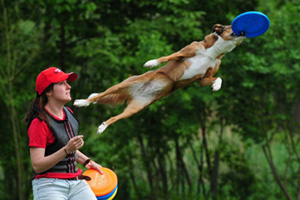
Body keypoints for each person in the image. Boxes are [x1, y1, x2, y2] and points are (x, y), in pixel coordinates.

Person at [24, 67, 103, 200]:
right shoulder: (39, 122)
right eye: (62, 83)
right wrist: (67, 150)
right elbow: (37, 165)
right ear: (48, 91)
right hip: (48, 184)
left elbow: (67, 148)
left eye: (67, 82)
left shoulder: (69, 113)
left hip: (76, 182)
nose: (69, 87)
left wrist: (88, 162)